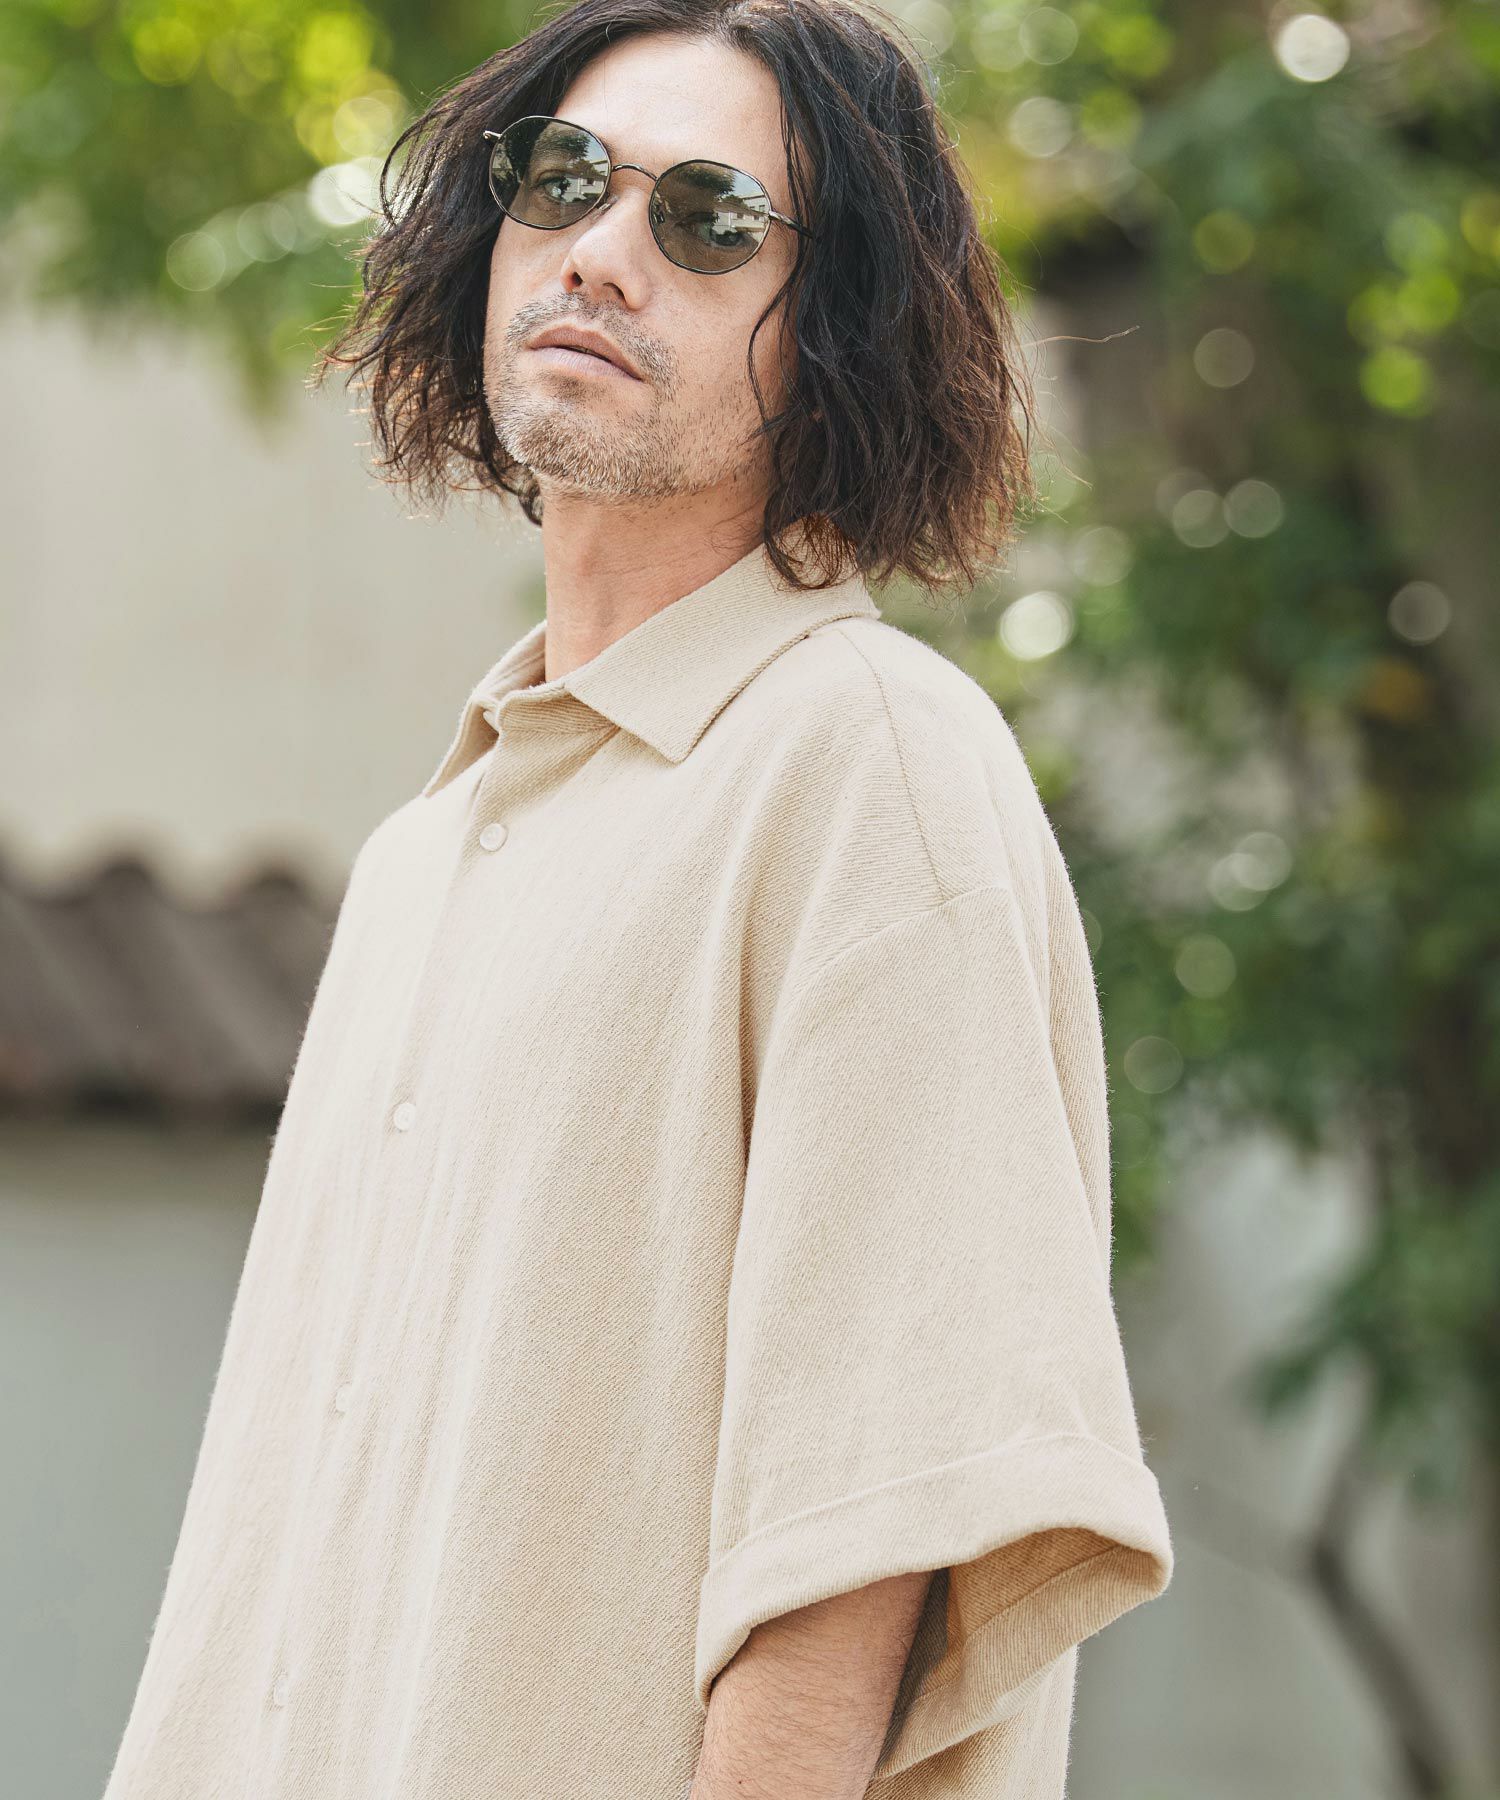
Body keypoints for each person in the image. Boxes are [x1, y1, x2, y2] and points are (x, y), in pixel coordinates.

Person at [102, 2, 1174, 1797]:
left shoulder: (866, 760)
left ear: (832, 332)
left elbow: (866, 1519)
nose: (602, 250)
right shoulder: (426, 854)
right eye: (565, 179)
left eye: (708, 218)